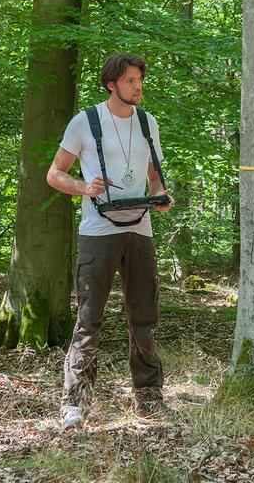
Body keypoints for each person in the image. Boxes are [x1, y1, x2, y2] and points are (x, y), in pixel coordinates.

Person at [47, 52, 174, 429]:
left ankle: (149, 400)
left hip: (140, 229)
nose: (138, 87)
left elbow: (154, 177)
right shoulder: (84, 122)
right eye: (131, 80)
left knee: (145, 317)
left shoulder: (148, 122)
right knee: (89, 319)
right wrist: (84, 187)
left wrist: (162, 196)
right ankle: (75, 404)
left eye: (139, 80)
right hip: (98, 232)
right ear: (111, 84)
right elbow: (55, 173)